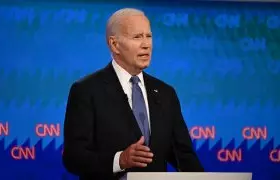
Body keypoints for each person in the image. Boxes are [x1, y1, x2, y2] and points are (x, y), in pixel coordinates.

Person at [62, 7, 204, 180]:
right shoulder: (87, 90)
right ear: (114, 44)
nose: (146, 44)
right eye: (137, 37)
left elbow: (184, 156)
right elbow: (73, 158)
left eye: (148, 36)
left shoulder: (166, 93)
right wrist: (119, 160)